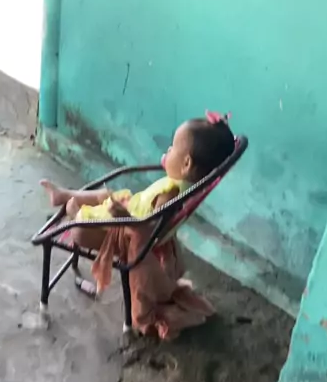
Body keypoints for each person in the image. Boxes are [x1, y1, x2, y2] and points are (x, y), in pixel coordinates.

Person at [40, 113, 235, 340]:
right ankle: (65, 195)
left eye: (173, 148)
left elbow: (150, 232)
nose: (168, 151)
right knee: (105, 195)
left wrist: (125, 216)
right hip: (131, 210)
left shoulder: (171, 195)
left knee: (79, 231)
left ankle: (75, 211)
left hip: (126, 231)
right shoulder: (184, 186)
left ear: (186, 164)